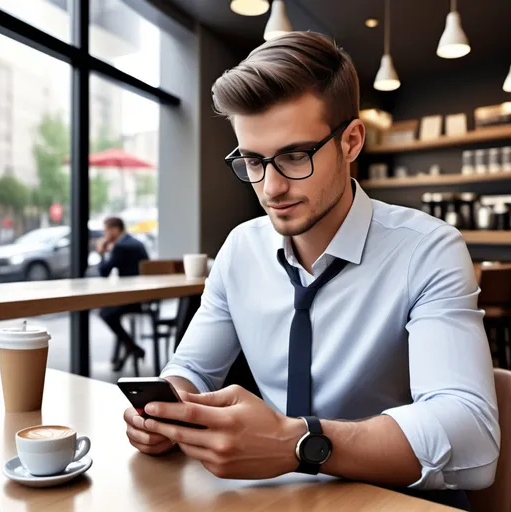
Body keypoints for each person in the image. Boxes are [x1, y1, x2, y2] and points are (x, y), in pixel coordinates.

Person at [123, 32, 499, 510]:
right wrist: (167, 408)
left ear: (351, 142)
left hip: (394, 498)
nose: (271, 187)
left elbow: (473, 439)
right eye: (253, 161)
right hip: (276, 496)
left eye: (295, 156)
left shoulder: (428, 250)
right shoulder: (240, 249)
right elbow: (193, 368)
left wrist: (294, 443)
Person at [97, 217, 148, 371]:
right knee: (109, 312)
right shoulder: (137, 243)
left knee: (105, 313)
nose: (104, 234)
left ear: (115, 230)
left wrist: (101, 252)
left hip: (132, 300)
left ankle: (130, 346)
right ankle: (128, 347)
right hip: (145, 298)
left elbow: (104, 272)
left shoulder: (120, 247)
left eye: (106, 230)